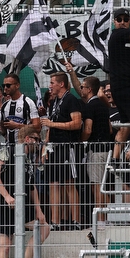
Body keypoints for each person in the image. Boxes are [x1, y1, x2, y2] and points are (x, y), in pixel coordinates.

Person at [0, 124, 50, 258]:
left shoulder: (29, 159)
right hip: (3, 203)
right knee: (5, 244)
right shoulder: (8, 150)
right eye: (37, 140)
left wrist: (39, 211)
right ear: (28, 139)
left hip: (21, 204)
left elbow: (32, 187)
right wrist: (7, 196)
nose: (38, 144)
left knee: (44, 227)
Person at [44, 71, 83, 229]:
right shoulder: (54, 102)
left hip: (67, 147)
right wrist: (45, 148)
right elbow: (49, 126)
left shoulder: (71, 99)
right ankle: (55, 221)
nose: (50, 86)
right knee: (53, 184)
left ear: (61, 84)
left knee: (69, 183)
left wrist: (53, 125)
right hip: (53, 148)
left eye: (52, 82)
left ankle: (76, 221)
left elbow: (77, 124)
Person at [79, 76, 112, 222]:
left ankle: (101, 220)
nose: (80, 89)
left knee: (97, 186)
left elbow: (87, 129)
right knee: (101, 185)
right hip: (106, 150)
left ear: (89, 89)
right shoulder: (103, 106)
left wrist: (80, 140)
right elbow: (110, 129)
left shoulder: (90, 106)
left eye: (82, 87)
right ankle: (109, 216)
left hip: (97, 151)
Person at [0, 73, 41, 146]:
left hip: (25, 147)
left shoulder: (28, 103)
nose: (5, 88)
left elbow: (37, 127)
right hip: (9, 146)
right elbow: (3, 128)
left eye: (8, 85)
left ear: (17, 85)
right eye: (4, 85)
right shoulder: (4, 106)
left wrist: (17, 125)